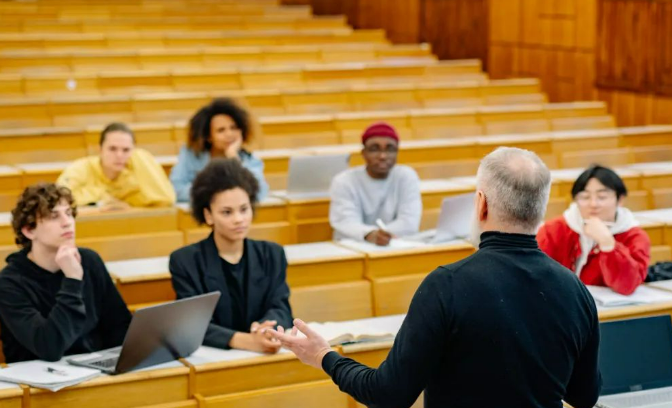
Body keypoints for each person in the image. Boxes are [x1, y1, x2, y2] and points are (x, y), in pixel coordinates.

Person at [271, 147, 601, 408]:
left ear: (481, 204)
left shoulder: (447, 285)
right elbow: (584, 397)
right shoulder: (574, 289)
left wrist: (324, 357)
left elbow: (388, 394)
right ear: (540, 208)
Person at [169, 159, 291, 353]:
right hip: (213, 357)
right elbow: (192, 325)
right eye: (227, 212)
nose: (238, 219)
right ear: (208, 215)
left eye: (244, 209)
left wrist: (266, 329)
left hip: (263, 354)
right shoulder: (185, 261)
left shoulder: (272, 254)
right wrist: (246, 341)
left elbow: (281, 308)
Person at [0, 183, 132, 363]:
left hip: (93, 371)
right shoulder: (9, 283)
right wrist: (73, 280)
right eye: (54, 216)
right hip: (38, 381)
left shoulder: (90, 261)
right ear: (29, 230)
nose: (67, 222)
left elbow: (120, 326)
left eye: (69, 213)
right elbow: (50, 347)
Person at [537, 165, 650, 295]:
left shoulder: (634, 236)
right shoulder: (554, 229)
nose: (593, 204)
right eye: (585, 197)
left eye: (602, 197)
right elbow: (537, 272)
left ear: (620, 199)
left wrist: (608, 244)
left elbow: (626, 286)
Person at [329, 122, 421, 246]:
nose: (383, 156)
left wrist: (382, 236)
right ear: (363, 153)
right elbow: (345, 221)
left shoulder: (406, 176)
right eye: (374, 149)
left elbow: (409, 222)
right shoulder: (344, 180)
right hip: (354, 246)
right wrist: (370, 234)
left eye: (390, 149)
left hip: (395, 246)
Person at [169, 98, 269, 203]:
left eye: (234, 128)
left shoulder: (247, 159)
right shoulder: (191, 154)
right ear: (208, 136)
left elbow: (259, 192)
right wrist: (217, 194)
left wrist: (233, 158)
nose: (229, 134)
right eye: (221, 130)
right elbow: (176, 189)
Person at [56, 122, 175, 209]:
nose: (119, 155)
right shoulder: (80, 169)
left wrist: (140, 155)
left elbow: (166, 200)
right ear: (100, 150)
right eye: (112, 149)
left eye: (126, 150)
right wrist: (101, 209)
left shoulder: (133, 177)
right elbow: (57, 203)